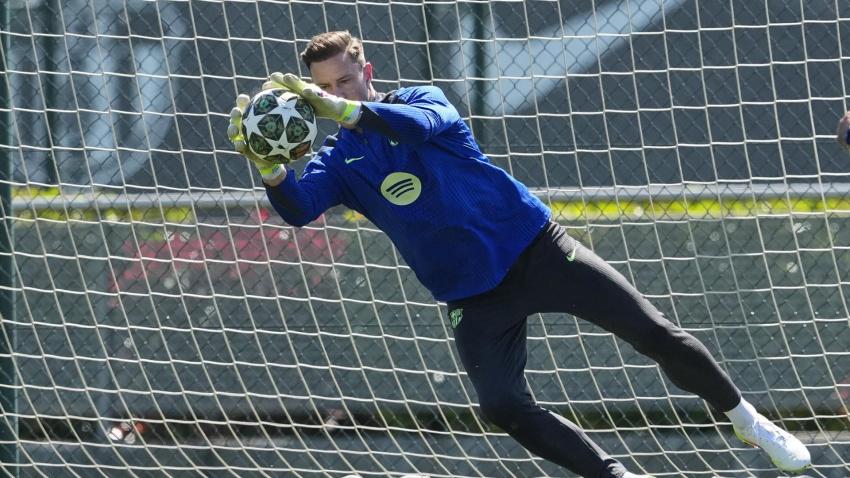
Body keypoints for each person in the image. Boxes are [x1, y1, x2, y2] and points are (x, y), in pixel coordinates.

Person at [226, 31, 812, 478]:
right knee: (503, 405)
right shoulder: (338, 162)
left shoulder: (423, 101)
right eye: (323, 91)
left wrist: (351, 112)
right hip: (473, 294)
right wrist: (270, 167)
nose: (334, 96)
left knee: (654, 332)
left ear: (367, 71)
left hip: (536, 249)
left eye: (343, 82)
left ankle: (748, 421)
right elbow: (299, 208)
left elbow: (416, 127)